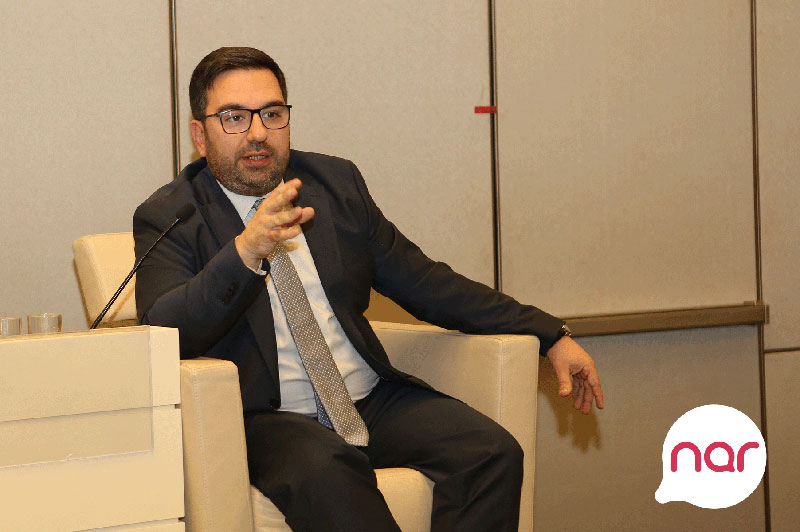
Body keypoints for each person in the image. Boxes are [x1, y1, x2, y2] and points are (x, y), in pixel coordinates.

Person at [133, 46, 604, 532]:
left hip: (365, 397)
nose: (257, 133)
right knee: (330, 471)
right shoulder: (171, 215)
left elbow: (426, 282)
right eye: (234, 117)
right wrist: (246, 251)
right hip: (265, 419)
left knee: (490, 452)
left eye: (271, 114)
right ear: (200, 135)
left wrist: (548, 333)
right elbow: (165, 330)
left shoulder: (333, 184)